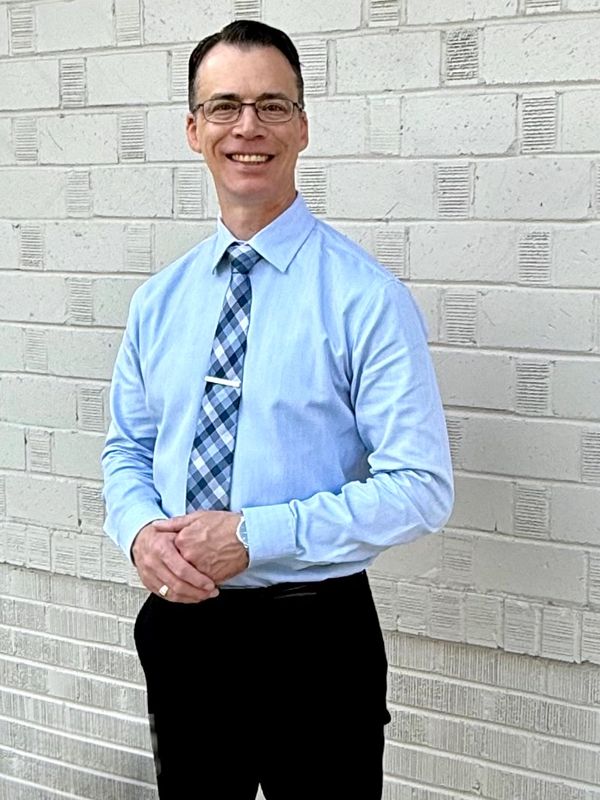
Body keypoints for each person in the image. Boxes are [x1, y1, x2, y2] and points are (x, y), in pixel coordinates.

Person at [101, 19, 453, 800]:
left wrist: (252, 537)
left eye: (272, 105)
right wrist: (136, 535)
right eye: (224, 106)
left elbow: (421, 487)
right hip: (182, 632)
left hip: (315, 642)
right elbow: (128, 447)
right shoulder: (159, 301)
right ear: (194, 131)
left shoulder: (365, 299)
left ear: (302, 126)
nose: (247, 127)